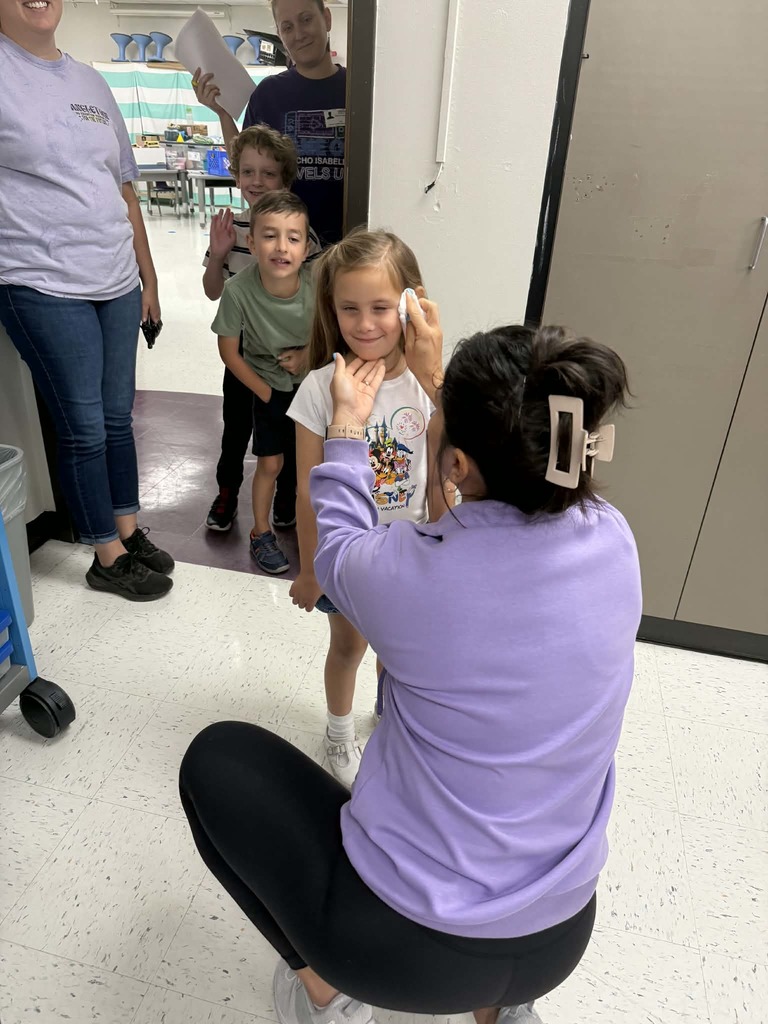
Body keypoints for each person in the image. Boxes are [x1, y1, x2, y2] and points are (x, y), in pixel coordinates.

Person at [179, 310, 642, 1024]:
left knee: (215, 761)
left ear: (456, 465)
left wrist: (346, 428)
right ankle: (505, 1011)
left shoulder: (414, 574)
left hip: (403, 950)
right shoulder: (613, 541)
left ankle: (327, 997)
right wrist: (440, 385)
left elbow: (332, 551)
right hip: (559, 935)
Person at [0, 0, 173, 601]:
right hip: (40, 281)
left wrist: (148, 278)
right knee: (84, 427)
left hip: (116, 278)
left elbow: (123, 187)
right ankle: (106, 552)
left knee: (116, 417)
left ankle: (128, 527)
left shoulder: (90, 80)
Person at [287, 231, 437, 786]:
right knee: (348, 645)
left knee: (399, 652)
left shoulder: (428, 387)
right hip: (348, 557)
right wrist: (309, 569)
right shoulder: (322, 387)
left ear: (410, 304)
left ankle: (389, 717)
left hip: (412, 552)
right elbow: (307, 492)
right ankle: (338, 732)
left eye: (380, 307)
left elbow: (453, 468)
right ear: (332, 308)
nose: (365, 323)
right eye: (349, 308)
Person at [202, 124, 321, 533]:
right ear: (236, 176)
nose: (257, 181)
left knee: (288, 437)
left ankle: (285, 500)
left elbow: (321, 306)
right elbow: (212, 292)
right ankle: (226, 493)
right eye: (248, 172)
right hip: (244, 360)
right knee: (235, 430)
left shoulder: (305, 238)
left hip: (288, 365)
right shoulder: (230, 231)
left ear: (284, 180)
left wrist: (308, 354)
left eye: (268, 173)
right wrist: (217, 256)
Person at [211, 190, 314, 574]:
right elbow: (229, 353)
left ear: (306, 247)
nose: (281, 247)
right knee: (270, 463)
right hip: (267, 389)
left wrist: (307, 355)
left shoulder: (317, 285)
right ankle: (260, 532)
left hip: (312, 392)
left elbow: (333, 334)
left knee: (307, 467)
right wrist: (266, 392)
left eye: (293, 237)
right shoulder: (238, 290)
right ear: (251, 242)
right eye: (269, 235)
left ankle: (306, 526)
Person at [193, 0, 346, 246]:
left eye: (306, 19)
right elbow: (244, 158)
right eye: (287, 27)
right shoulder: (269, 93)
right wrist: (222, 113)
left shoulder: (356, 92)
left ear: (327, 18)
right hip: (281, 249)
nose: (298, 34)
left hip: (344, 248)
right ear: (280, 35)